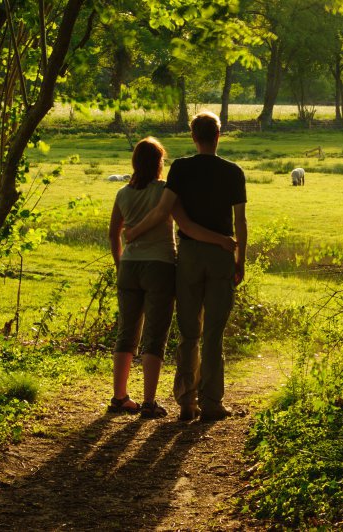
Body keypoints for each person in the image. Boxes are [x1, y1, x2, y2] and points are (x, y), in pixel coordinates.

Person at [125, 111, 247, 422]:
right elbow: (240, 222)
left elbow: (163, 210)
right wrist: (239, 258)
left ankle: (186, 401)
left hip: (189, 255)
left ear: (193, 137)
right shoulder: (234, 172)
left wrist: (135, 231)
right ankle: (212, 402)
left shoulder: (181, 168)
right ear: (218, 136)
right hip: (221, 255)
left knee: (189, 331)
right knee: (214, 334)